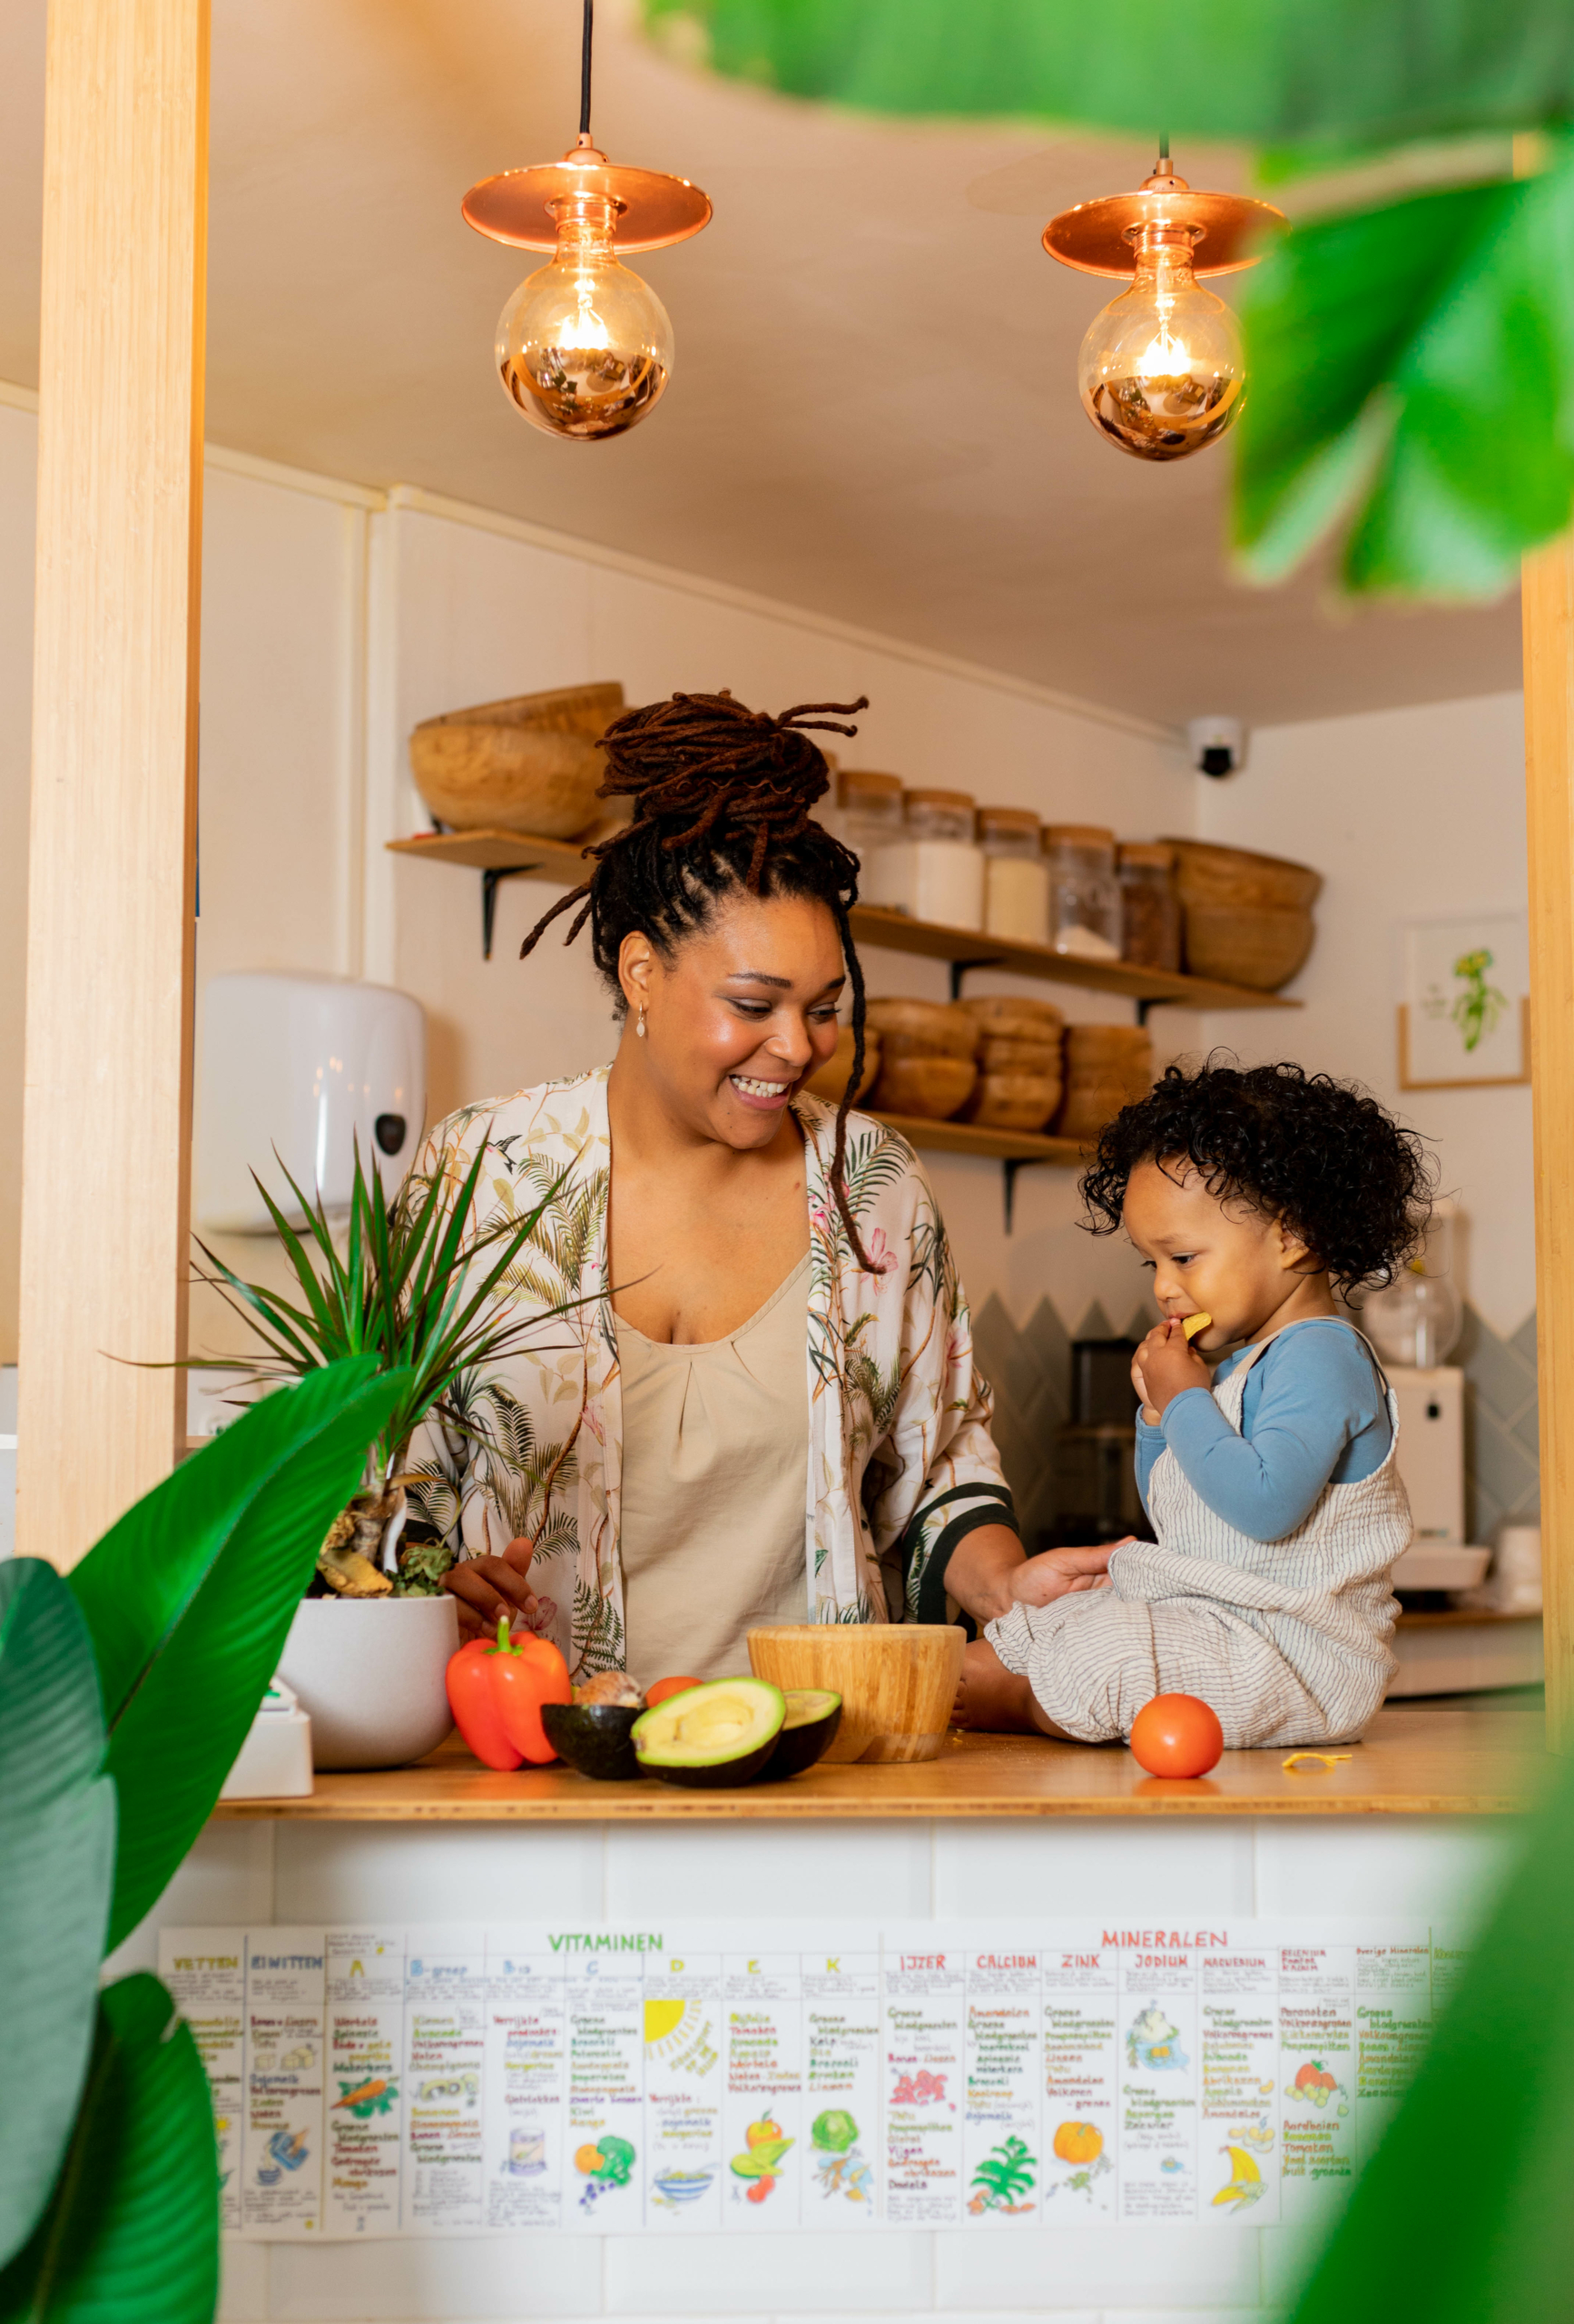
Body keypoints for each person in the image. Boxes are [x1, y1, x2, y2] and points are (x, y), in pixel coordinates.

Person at [409, 688, 1109, 1680]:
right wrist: (433, 1580)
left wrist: (1007, 1587)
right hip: (539, 1742)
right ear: (641, 973)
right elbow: (390, 1480)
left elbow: (941, 1461)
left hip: (821, 1744)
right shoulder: (483, 1175)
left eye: (823, 1008)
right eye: (753, 1004)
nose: (797, 1048)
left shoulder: (874, 1186)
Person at [954, 1060, 1432, 1749]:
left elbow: (1265, 1507)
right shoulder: (1242, 1366)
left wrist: (1185, 1398)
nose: (1163, 1288)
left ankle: (1019, 1701)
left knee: (1106, 1652)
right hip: (1228, 1624)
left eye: (1182, 1258)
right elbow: (1182, 1514)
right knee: (1060, 1619)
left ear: (1294, 1236)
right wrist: (1158, 1416)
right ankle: (1000, 1685)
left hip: (1297, 1655)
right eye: (1151, 1263)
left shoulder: (1322, 1356)